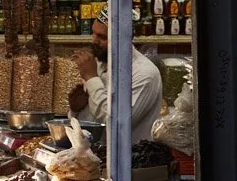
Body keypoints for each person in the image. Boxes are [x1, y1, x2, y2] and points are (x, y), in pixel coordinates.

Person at [67, 12, 164, 142]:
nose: (93, 40)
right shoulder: (100, 63)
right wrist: (76, 110)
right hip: (94, 157)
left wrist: (91, 78)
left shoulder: (145, 74)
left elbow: (116, 123)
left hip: (131, 159)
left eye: (102, 36)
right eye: (93, 33)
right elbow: (90, 126)